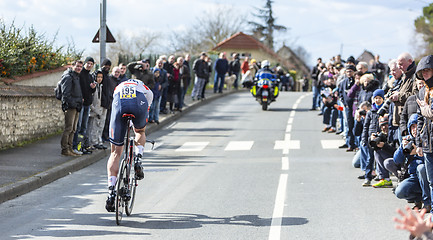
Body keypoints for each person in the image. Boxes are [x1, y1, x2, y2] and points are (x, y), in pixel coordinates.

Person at [105, 78, 153, 212]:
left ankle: (111, 192)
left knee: (115, 152)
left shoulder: (118, 87)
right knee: (140, 131)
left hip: (119, 104)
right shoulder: (142, 85)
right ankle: (138, 158)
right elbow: (150, 98)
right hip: (138, 103)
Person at [385, 113, 430, 210]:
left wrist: (418, 153)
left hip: (428, 176)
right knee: (399, 191)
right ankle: (418, 199)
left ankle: (427, 203)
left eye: (417, 126)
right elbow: (396, 160)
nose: (414, 129)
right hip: (414, 177)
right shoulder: (408, 140)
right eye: (412, 127)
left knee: (421, 168)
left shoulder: (427, 140)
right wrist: (402, 148)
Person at [415, 55, 433, 214]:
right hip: (427, 143)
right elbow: (420, 119)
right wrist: (419, 143)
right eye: (423, 71)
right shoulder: (422, 92)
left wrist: (426, 109)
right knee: (431, 181)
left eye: (428, 70)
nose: (425, 73)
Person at [72, 57, 96, 154]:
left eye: (91, 64)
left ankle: (80, 146)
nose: (89, 65)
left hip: (87, 104)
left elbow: (90, 91)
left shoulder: (90, 76)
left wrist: (93, 88)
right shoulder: (80, 74)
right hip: (81, 104)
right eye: (88, 63)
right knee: (78, 126)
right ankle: (75, 147)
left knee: (84, 128)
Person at [60, 60, 83, 156]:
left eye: (80, 67)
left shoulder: (76, 77)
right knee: (68, 128)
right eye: (77, 66)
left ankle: (70, 148)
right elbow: (65, 94)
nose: (79, 68)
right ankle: (65, 149)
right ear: (73, 66)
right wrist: (73, 104)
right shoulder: (68, 77)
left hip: (76, 106)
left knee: (73, 129)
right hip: (70, 107)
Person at [361, 88, 384, 186]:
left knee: (380, 157)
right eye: (376, 98)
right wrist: (364, 139)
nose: (377, 100)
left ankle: (382, 176)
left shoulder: (385, 110)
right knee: (370, 158)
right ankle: (367, 177)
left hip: (381, 137)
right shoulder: (371, 112)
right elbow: (366, 126)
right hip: (371, 138)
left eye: (379, 98)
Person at [88, 70, 107, 150]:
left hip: (99, 109)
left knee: (98, 126)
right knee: (92, 127)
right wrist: (94, 109)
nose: (100, 79)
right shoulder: (93, 86)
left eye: (101, 77)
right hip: (93, 110)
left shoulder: (100, 86)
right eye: (98, 77)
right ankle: (92, 142)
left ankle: (98, 141)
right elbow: (91, 99)